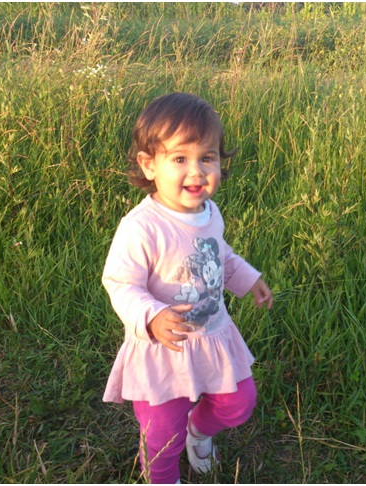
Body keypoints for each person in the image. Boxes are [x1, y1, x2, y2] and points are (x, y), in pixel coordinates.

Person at [101, 92, 273, 484]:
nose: (196, 172)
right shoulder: (141, 227)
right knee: (163, 435)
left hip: (211, 335)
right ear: (149, 165)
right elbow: (120, 282)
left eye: (207, 158)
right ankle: (164, 478)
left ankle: (200, 430)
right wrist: (151, 315)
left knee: (238, 402)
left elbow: (220, 255)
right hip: (162, 349)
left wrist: (248, 278)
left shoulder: (209, 212)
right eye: (179, 159)